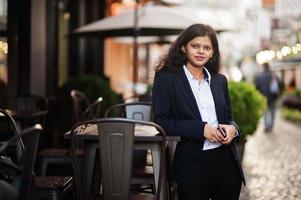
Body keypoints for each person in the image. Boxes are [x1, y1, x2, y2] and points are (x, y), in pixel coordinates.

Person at [152, 23, 245, 200]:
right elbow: (162, 122)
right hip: (192, 165)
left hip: (226, 165)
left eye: (207, 47)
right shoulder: (166, 78)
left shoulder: (219, 81)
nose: (201, 51)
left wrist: (234, 129)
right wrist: (200, 129)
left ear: (212, 53)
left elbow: (229, 118)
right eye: (195, 46)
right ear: (183, 47)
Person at [255, 62, 280, 132]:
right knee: (272, 112)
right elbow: (278, 85)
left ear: (263, 67)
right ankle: (271, 126)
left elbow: (257, 87)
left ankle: (266, 126)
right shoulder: (274, 75)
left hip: (264, 97)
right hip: (273, 97)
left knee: (266, 112)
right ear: (269, 67)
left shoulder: (259, 76)